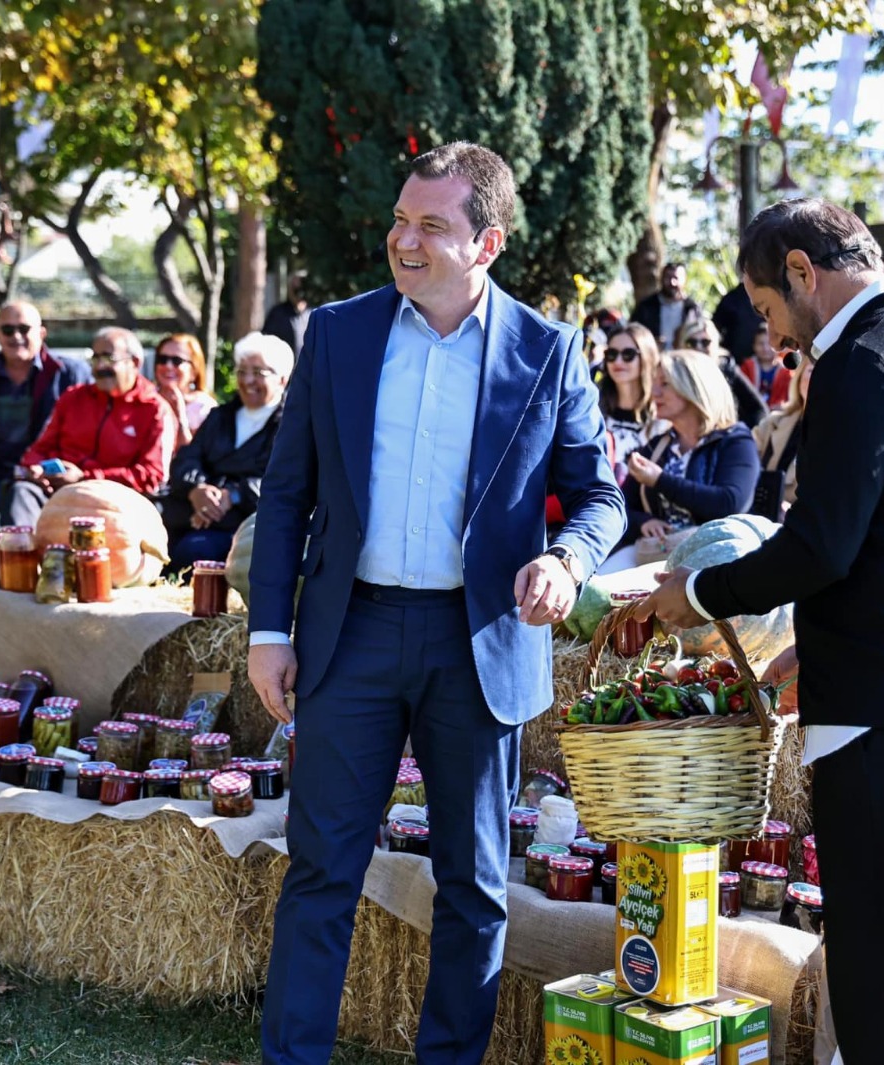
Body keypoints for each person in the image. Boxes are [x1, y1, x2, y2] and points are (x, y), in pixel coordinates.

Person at [246, 141, 624, 1065]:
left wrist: (569, 563)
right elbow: (287, 492)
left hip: (479, 642)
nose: (403, 240)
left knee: (475, 884)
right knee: (322, 869)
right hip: (351, 634)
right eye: (399, 220)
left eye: (431, 226)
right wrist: (266, 629)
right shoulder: (336, 333)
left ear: (486, 242)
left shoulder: (547, 349)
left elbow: (600, 496)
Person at [631, 199, 884, 1065]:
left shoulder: (866, 357)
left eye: (767, 309)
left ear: (804, 271)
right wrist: (819, 638)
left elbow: (821, 542)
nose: (773, 335)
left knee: (881, 997)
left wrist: (702, 590)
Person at [598, 349, 760, 574]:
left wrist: (660, 480)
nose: (654, 392)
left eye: (665, 384)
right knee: (596, 589)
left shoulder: (735, 441)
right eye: (655, 383)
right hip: (655, 553)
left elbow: (729, 503)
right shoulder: (658, 446)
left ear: (694, 388)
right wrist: (644, 522)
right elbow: (620, 506)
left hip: (714, 558)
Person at [2, 327, 175, 527]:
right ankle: (18, 556)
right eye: (95, 358)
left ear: (135, 362)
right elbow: (39, 449)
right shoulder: (72, 398)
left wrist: (85, 478)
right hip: (57, 493)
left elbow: (153, 475)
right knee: (22, 493)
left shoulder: (155, 410)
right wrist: (37, 470)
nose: (100, 366)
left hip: (113, 503)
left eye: (109, 358)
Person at [162, 332, 292, 570]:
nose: (248, 381)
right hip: (192, 515)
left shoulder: (293, 426)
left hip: (248, 526)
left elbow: (287, 479)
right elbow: (187, 459)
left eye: (258, 373)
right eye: (242, 372)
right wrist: (198, 490)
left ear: (282, 379)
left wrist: (231, 496)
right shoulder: (220, 416)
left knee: (194, 551)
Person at [0, 301, 93, 518]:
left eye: (24, 329)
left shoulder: (70, 374)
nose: (16, 336)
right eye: (7, 330)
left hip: (47, 476)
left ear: (42, 332)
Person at [750, 350, 815, 518]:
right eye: (811, 370)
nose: (817, 378)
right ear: (799, 378)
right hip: (754, 515)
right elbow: (744, 463)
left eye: (824, 372)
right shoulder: (772, 423)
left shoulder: (838, 434)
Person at [676, 317, 767, 428]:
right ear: (682, 345)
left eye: (705, 342)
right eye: (692, 343)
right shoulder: (675, 373)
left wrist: (743, 434)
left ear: (715, 344)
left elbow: (759, 409)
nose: (698, 347)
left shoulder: (726, 368)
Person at [597, 322, 659, 482]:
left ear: (647, 357)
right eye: (611, 354)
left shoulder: (662, 411)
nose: (618, 362)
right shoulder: (592, 406)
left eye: (628, 354)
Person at [150, 332, 218, 449]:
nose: (168, 366)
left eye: (177, 360)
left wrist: (180, 416)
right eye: (162, 359)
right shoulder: (145, 397)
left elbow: (194, 455)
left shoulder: (203, 408)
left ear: (194, 371)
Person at [631, 260, 704, 351]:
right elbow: (633, 332)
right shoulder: (646, 307)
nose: (672, 283)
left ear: (684, 280)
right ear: (661, 279)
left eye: (676, 278)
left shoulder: (692, 308)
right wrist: (650, 342)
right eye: (668, 277)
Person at [711, 280, 764, 369]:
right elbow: (714, 330)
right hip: (735, 364)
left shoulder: (766, 297)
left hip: (763, 365)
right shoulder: (730, 299)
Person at [739, 325, 792, 409]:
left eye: (769, 344)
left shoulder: (787, 372)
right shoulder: (746, 368)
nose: (765, 348)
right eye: (760, 343)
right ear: (754, 346)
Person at [262, 272, 311, 357]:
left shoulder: (312, 314)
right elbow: (266, 342)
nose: (299, 294)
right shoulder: (277, 314)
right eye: (295, 290)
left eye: (301, 289)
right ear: (289, 290)